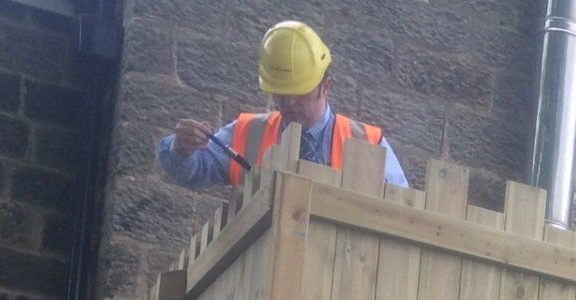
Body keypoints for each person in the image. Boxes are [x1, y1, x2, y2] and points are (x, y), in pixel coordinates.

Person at [157, 21, 406, 188]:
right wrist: (181, 148)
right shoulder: (249, 133)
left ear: (325, 86)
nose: (288, 102)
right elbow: (191, 170)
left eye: (299, 94)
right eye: (280, 93)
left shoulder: (368, 143)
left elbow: (401, 208)